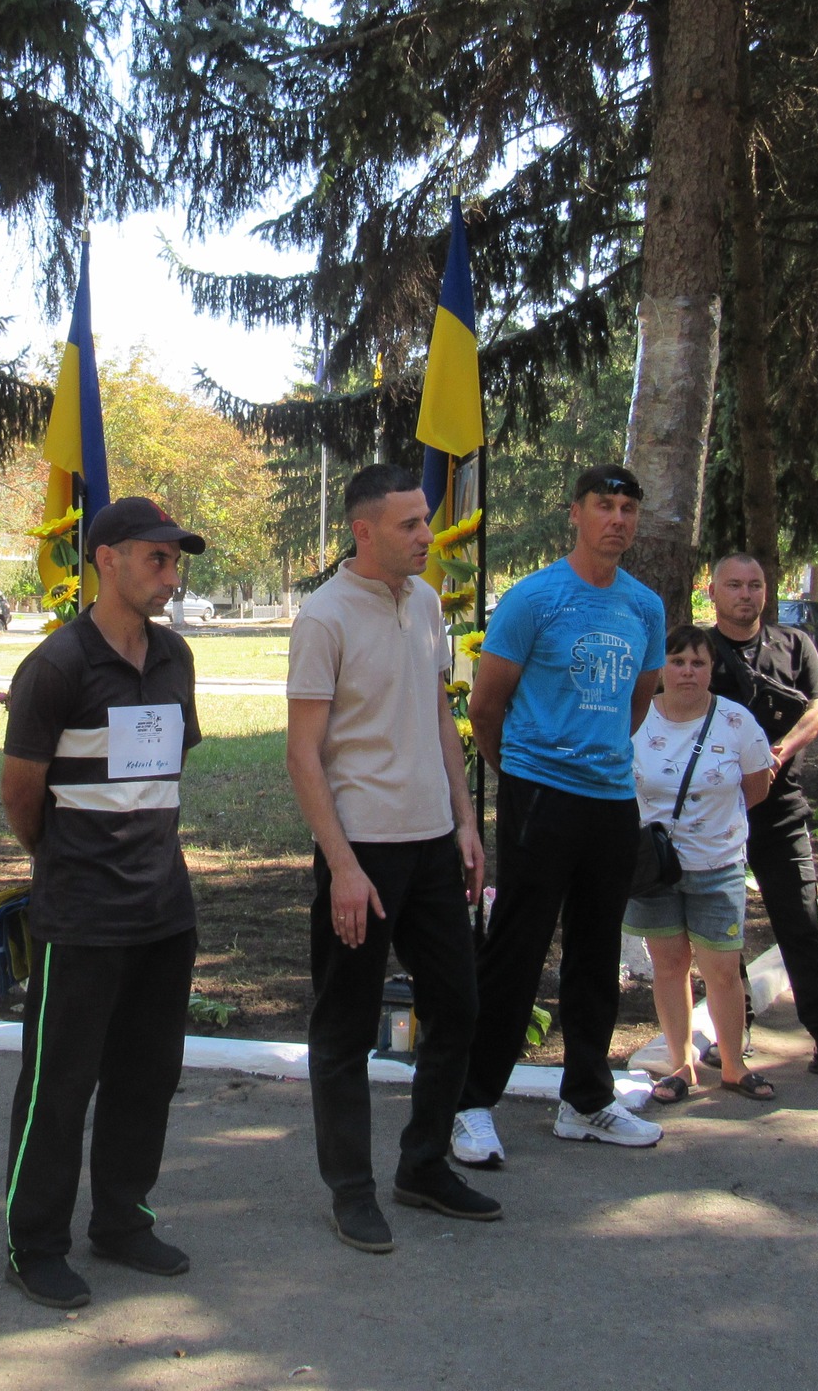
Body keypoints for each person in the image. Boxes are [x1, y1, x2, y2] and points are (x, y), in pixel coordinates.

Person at [0, 496, 207, 1310]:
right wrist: (66, 861)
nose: (171, 573)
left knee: (147, 1078)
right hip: (82, 912)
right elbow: (23, 796)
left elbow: (166, 771)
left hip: (163, 907)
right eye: (157, 557)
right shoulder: (57, 665)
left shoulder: (175, 657)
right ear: (107, 559)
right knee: (58, 1087)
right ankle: (34, 1244)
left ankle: (122, 1220)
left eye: (174, 560)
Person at [286, 465, 497, 1254]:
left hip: (433, 842)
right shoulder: (324, 617)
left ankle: (423, 1165)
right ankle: (351, 1191)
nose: (427, 535)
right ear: (363, 531)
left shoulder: (428, 602)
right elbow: (303, 755)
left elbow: (440, 717)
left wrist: (465, 821)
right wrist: (342, 865)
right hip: (363, 852)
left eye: (426, 520)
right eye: (410, 524)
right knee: (345, 1026)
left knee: (459, 1007)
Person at [450, 464, 668, 1165]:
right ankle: (471, 1103)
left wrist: (597, 758)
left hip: (611, 800)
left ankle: (587, 1101)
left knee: (597, 953)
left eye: (628, 508)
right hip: (539, 794)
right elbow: (486, 706)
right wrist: (520, 773)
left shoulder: (645, 608)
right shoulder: (534, 599)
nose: (617, 519)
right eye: (604, 505)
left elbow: (637, 703)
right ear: (575, 512)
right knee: (517, 948)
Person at [705, 554, 818, 1085]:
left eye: (755, 585)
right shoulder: (698, 650)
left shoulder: (795, 644)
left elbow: (816, 712)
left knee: (802, 924)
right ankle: (736, 1031)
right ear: (712, 592)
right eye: (734, 585)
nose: (746, 594)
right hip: (715, 813)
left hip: (781, 810)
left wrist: (774, 755)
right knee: (723, 929)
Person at [624, 625, 776, 1102]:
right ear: (660, 669)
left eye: (698, 663)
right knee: (669, 967)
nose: (687, 672)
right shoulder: (635, 717)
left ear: (712, 670)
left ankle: (733, 1066)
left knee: (722, 970)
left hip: (717, 865)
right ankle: (681, 1066)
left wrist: (713, 826)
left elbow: (756, 787)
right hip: (652, 870)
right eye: (677, 662)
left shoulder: (736, 721)